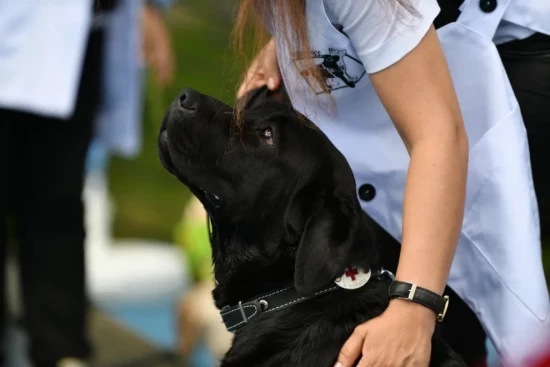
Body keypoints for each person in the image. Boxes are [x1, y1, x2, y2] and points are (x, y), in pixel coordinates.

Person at [233, 0, 550, 366]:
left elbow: (438, 136)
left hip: (521, 59)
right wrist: (297, 39)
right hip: (452, 43)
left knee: (428, 303)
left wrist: (415, 305)